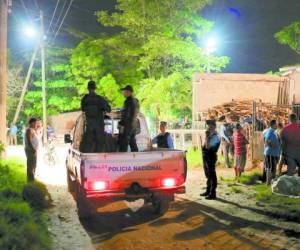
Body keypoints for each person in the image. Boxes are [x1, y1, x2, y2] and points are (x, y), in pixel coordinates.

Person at [80, 80, 111, 153]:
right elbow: (108, 109)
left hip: (89, 127)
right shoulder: (100, 99)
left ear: (88, 88)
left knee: (89, 144)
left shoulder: (84, 99)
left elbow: (83, 109)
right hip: (99, 126)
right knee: (100, 144)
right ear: (95, 88)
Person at [200, 120, 221, 200]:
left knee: (212, 175)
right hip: (206, 156)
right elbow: (204, 145)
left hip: (211, 156)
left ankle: (213, 193)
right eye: (208, 126)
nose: (209, 127)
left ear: (214, 126)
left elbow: (208, 147)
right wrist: (207, 137)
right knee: (208, 174)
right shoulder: (210, 135)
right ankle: (208, 190)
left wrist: (207, 137)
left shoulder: (216, 136)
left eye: (211, 126)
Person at [118, 85, 140, 152]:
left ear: (129, 92)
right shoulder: (136, 102)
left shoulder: (128, 101)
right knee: (133, 145)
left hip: (127, 127)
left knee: (123, 146)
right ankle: (136, 159)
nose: (123, 93)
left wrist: (121, 124)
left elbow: (126, 115)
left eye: (124, 91)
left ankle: (122, 161)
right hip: (133, 127)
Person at [24, 118, 39, 182]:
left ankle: (32, 180)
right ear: (32, 123)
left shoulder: (33, 130)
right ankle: (30, 181)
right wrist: (33, 149)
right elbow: (28, 141)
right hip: (30, 151)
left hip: (33, 151)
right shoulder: (29, 130)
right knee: (30, 166)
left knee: (34, 165)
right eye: (36, 123)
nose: (36, 124)